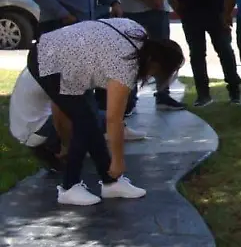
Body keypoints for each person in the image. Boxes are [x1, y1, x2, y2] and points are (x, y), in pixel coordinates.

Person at [27, 18, 185, 206]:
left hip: (61, 57)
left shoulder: (136, 30)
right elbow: (113, 119)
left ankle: (110, 183)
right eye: (156, 72)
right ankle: (69, 188)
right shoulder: (126, 64)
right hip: (47, 60)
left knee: (90, 120)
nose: (152, 76)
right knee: (85, 123)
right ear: (153, 62)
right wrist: (118, 161)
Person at [8, 68, 62, 172]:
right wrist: (65, 146)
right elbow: (63, 108)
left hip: (23, 127)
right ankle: (59, 151)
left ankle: (53, 158)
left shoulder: (35, 64)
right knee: (91, 118)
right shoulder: (56, 71)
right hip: (35, 129)